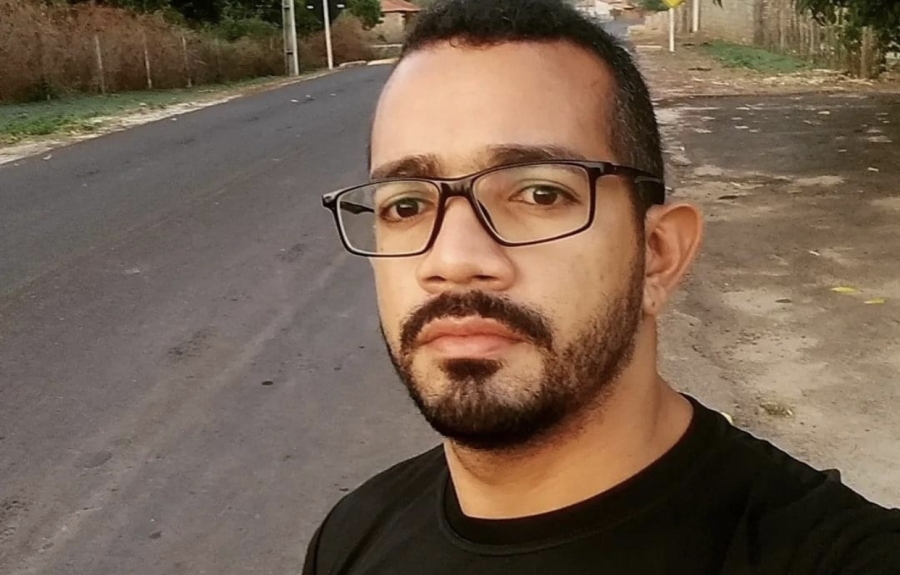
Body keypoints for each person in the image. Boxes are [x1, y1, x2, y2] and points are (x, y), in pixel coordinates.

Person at [305, 0, 900, 572]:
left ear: (658, 256)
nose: (453, 259)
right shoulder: (353, 535)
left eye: (540, 194)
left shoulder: (835, 554)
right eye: (406, 205)